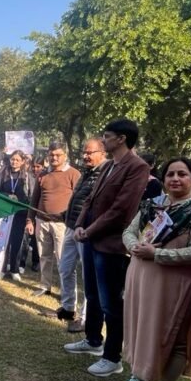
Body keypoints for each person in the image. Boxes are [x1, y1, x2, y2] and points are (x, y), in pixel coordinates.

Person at [115, 157, 191, 381]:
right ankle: (139, 377)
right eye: (170, 174)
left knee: (174, 336)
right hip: (141, 276)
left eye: (182, 174)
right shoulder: (152, 206)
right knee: (140, 328)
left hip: (176, 283)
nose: (175, 179)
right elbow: (129, 231)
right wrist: (133, 246)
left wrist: (158, 256)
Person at [65, 119, 151, 376]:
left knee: (110, 301)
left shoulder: (137, 167)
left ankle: (113, 357)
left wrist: (90, 230)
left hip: (110, 244)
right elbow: (90, 200)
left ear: (122, 138)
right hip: (90, 238)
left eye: (107, 136)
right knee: (92, 293)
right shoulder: (109, 166)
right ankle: (93, 340)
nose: (103, 140)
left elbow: (121, 210)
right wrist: (80, 225)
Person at [57, 138, 107, 330]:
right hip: (71, 226)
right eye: (84, 153)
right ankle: (68, 308)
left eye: (90, 153)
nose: (86, 156)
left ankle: (85, 317)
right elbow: (77, 200)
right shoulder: (86, 172)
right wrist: (65, 215)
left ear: (102, 153)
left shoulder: (105, 174)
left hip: (87, 231)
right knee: (65, 268)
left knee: (88, 276)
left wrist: (87, 227)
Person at [25, 142, 80, 298]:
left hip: (62, 225)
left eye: (58, 155)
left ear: (65, 155)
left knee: (64, 259)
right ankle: (45, 285)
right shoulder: (42, 174)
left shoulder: (73, 174)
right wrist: (30, 220)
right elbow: (34, 199)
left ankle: (66, 291)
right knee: (44, 256)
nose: (54, 158)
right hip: (41, 221)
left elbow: (79, 200)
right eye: (51, 155)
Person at [0, 150, 34, 281]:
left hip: (20, 214)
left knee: (17, 241)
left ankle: (14, 269)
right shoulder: (3, 174)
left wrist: (29, 218)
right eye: (12, 159)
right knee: (4, 241)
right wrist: (7, 196)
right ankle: (2, 268)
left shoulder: (27, 177)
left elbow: (30, 198)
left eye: (17, 160)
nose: (14, 162)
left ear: (23, 162)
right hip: (5, 213)